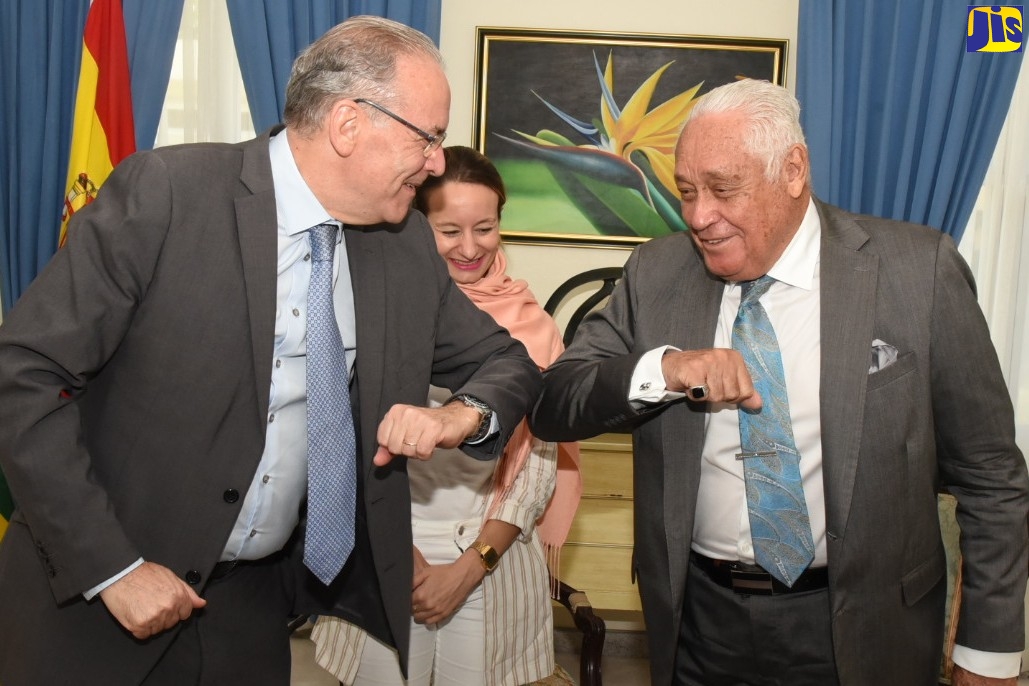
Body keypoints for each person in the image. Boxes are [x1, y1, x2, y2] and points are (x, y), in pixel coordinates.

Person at [0, 17, 542, 686]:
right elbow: (23, 377)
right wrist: (113, 568)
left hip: (251, 615)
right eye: (427, 137)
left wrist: (463, 414)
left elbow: (508, 363)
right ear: (348, 123)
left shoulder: (398, 247)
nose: (435, 161)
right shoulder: (167, 196)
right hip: (94, 602)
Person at [529, 78, 1029, 686]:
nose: (698, 217)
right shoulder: (656, 273)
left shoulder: (916, 271)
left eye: (722, 189)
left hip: (865, 629)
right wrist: (664, 371)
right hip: (698, 625)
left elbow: (990, 475)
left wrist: (989, 651)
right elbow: (554, 403)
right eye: (686, 192)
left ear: (793, 170)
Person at [311, 145, 581, 685]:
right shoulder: (362, 307)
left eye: (484, 227)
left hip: (491, 557)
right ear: (415, 226)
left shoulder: (533, 326)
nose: (469, 247)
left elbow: (537, 466)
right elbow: (335, 438)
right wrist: (397, 551)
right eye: (449, 230)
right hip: (381, 544)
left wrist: (469, 567)